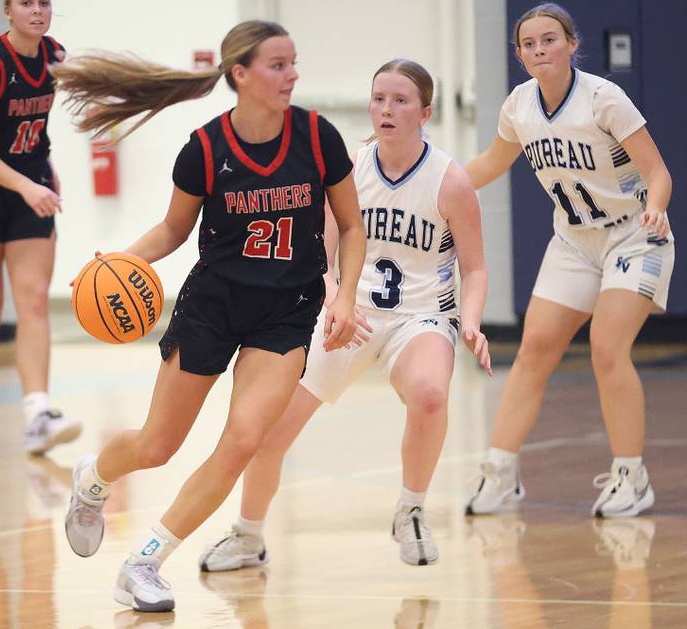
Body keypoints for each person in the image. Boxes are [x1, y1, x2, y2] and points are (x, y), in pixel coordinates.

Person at [52, 20, 366, 612]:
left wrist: (344, 294)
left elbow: (351, 225)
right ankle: (93, 478)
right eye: (278, 64)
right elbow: (174, 229)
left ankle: (144, 562)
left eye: (293, 62)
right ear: (241, 74)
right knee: (156, 446)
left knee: (243, 440)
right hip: (214, 304)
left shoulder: (318, 137)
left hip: (287, 309)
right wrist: (117, 261)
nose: (292, 75)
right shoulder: (205, 147)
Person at [198, 58, 491, 571]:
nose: (386, 109)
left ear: (425, 112)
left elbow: (476, 267)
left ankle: (411, 509)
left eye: (400, 101)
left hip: (421, 316)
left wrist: (469, 320)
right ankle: (247, 536)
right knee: (268, 428)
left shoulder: (451, 181)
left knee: (428, 393)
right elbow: (322, 252)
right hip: (351, 313)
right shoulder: (350, 169)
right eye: (379, 98)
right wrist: (336, 298)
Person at [464, 3, 674, 519]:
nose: (540, 50)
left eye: (549, 40)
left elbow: (659, 172)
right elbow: (492, 162)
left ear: (571, 44)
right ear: (519, 54)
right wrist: (433, 184)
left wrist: (655, 209)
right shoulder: (518, 106)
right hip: (574, 241)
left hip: (634, 235)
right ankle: (501, 471)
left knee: (606, 348)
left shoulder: (604, 98)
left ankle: (632, 476)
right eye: (529, 43)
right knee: (534, 348)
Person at [0, 0, 81, 455]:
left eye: (44, 2)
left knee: (33, 300)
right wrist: (23, 185)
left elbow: (40, 124)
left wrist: (45, 165)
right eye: (26, 3)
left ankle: (38, 414)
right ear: (7, 11)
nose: (37, 11)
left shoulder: (56, 55)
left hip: (31, 186)